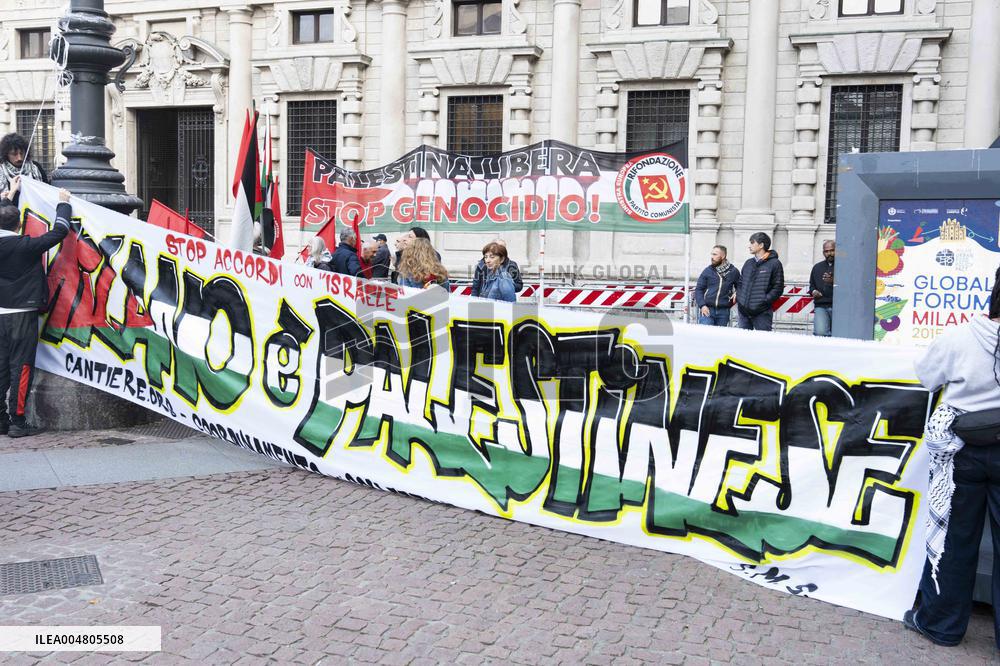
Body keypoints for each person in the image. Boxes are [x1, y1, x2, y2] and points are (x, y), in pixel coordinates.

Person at [904, 269, 1000, 649]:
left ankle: (942, 624)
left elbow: (927, 376)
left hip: (964, 449)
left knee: (953, 539)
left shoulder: (961, 336)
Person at [0, 177, 72, 437]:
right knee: (22, 366)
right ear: (19, 224)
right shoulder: (26, 245)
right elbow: (60, 231)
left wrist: (10, 196)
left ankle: (1, 421)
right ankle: (18, 421)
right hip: (21, 314)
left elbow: (3, 217)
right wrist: (63, 204)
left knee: (1, 367)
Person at [735, 232, 784, 332]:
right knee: (741, 343)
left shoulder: (775, 263)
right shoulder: (748, 263)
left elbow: (778, 287)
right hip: (743, 312)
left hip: (762, 313)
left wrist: (764, 301)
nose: (749, 246)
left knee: (763, 343)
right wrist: (740, 299)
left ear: (761, 245)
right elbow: (740, 283)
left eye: (752, 243)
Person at [694, 245, 740, 327]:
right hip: (707, 309)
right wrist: (702, 305)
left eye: (715, 254)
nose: (712, 257)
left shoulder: (734, 272)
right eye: (711, 254)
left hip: (724, 311)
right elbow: (699, 289)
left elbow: (740, 287)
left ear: (723, 256)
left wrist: (737, 292)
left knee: (719, 338)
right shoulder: (707, 271)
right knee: (706, 335)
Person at [0, 133, 49, 205]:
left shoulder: (36, 167)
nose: (19, 158)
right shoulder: (1, 170)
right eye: (14, 154)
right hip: (10, 214)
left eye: (21, 153)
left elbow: (46, 190)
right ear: (6, 154)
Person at [809, 240, 835, 336]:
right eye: (826, 251)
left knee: (841, 335)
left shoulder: (844, 266)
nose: (829, 253)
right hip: (821, 305)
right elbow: (811, 285)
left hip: (840, 307)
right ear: (823, 252)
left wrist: (833, 281)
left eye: (832, 250)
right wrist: (814, 291)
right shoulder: (817, 267)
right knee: (820, 333)